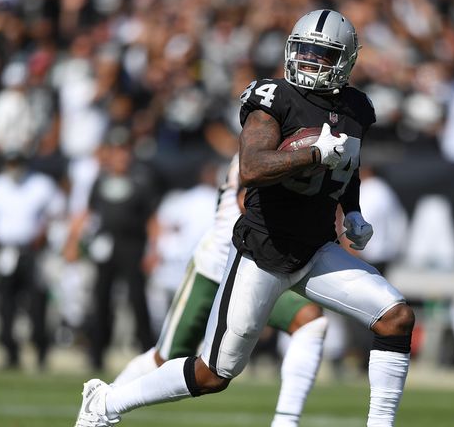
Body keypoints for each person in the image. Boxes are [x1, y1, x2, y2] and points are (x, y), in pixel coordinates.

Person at [73, 9, 414, 427]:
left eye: (321, 54)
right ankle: (105, 403)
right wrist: (311, 153)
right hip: (264, 250)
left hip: (316, 249)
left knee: (396, 316)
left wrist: (354, 211)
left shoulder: (357, 108)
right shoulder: (274, 98)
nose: (309, 61)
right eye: (304, 51)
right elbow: (251, 167)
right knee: (212, 373)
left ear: (344, 61)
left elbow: (348, 168)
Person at [111, 155, 329, 427]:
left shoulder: (301, 145)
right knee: (166, 358)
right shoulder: (262, 143)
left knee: (310, 321)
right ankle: (103, 404)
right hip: (215, 268)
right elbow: (247, 203)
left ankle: (286, 421)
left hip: (260, 268)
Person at [63, 126, 158, 371]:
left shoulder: (141, 180)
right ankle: (96, 354)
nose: (120, 157)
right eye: (115, 152)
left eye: (123, 152)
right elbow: (86, 213)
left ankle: (147, 352)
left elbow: (151, 219)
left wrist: (153, 251)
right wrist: (72, 241)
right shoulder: (100, 180)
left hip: (133, 245)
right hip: (105, 245)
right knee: (101, 299)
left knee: (137, 299)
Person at [0, 151, 62, 369]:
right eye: (10, 162)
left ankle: (40, 350)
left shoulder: (40, 184)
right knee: (5, 304)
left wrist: (42, 236)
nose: (13, 167)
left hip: (32, 252)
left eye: (17, 162)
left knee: (37, 303)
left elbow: (55, 213)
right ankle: (9, 352)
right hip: (6, 251)